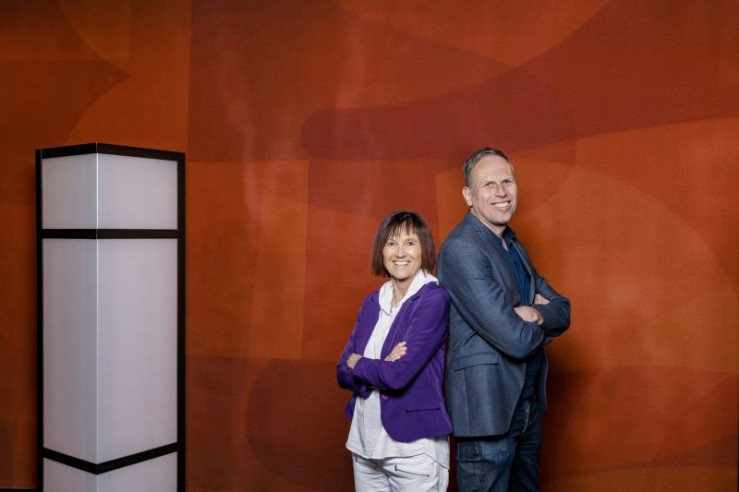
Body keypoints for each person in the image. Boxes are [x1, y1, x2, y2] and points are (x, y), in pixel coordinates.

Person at [437, 148, 571, 491]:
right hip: (488, 413)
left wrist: (533, 313)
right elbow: (516, 340)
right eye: (489, 184)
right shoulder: (462, 249)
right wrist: (533, 320)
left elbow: (563, 310)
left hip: (525, 406)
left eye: (507, 181)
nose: (501, 192)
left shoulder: (512, 243)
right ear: (468, 196)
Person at [337, 210, 453, 492]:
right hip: (364, 447)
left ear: (424, 249)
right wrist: (378, 366)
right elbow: (341, 371)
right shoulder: (372, 302)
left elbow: (397, 375)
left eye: (410, 243)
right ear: (381, 250)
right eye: (391, 243)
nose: (400, 252)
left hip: (412, 451)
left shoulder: (434, 299)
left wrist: (359, 362)